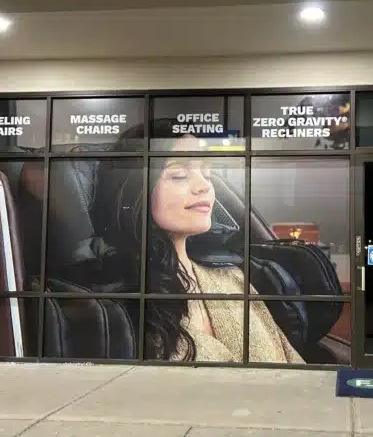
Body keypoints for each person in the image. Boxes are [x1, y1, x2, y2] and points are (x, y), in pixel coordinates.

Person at [106, 133, 303, 364]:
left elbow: (292, 362)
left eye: (207, 174)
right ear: (135, 189)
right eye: (179, 175)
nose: (204, 186)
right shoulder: (113, 302)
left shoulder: (232, 277)